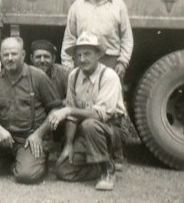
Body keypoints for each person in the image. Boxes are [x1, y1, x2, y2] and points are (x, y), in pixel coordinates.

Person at [0, 37, 61, 184]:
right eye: (6, 55)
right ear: (0, 56)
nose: (10, 58)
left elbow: (55, 110)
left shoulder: (38, 76)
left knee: (25, 176)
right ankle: (11, 164)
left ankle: (34, 163)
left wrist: (38, 134)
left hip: (30, 137)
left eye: (14, 54)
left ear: (23, 55)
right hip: (5, 136)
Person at [49, 32, 127, 191]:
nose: (82, 59)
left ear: (98, 55)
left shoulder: (109, 76)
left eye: (87, 54)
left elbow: (100, 114)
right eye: (79, 55)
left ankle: (107, 170)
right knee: (63, 170)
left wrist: (68, 109)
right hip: (89, 132)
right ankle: (100, 164)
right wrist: (69, 145)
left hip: (114, 129)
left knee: (90, 124)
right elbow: (71, 116)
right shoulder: (74, 75)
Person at [61, 0, 133, 78]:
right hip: (84, 62)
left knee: (111, 96)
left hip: (111, 63)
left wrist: (123, 62)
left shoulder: (118, 5)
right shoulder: (77, 6)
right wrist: (68, 67)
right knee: (84, 96)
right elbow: (69, 38)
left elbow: (127, 38)